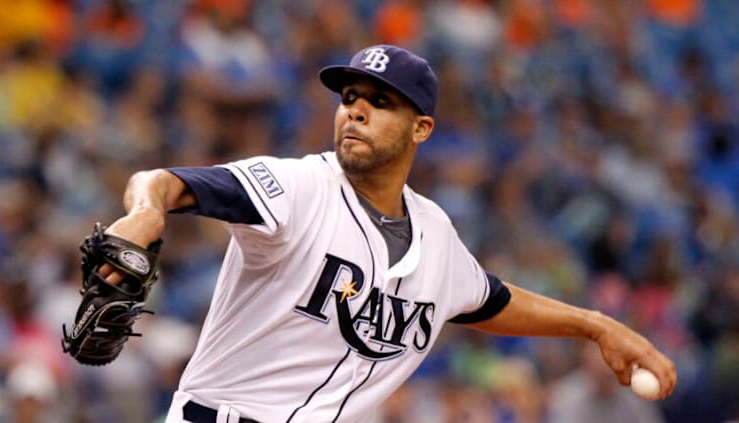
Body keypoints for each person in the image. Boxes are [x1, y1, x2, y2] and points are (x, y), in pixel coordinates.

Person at [98, 45, 677, 423]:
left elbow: (488, 300)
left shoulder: (435, 232)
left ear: (422, 128)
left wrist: (596, 326)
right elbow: (164, 182)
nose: (355, 111)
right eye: (349, 98)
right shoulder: (297, 185)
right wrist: (147, 209)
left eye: (380, 103)